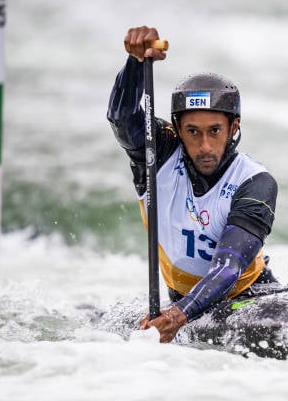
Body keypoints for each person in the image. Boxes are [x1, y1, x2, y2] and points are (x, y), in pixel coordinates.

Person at [107, 26, 278, 343]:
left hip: (250, 299)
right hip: (180, 305)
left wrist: (178, 316)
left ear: (234, 127)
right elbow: (123, 119)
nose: (204, 146)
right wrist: (134, 63)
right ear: (177, 129)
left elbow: (227, 268)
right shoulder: (157, 158)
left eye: (214, 131)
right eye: (192, 132)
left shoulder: (255, 181)